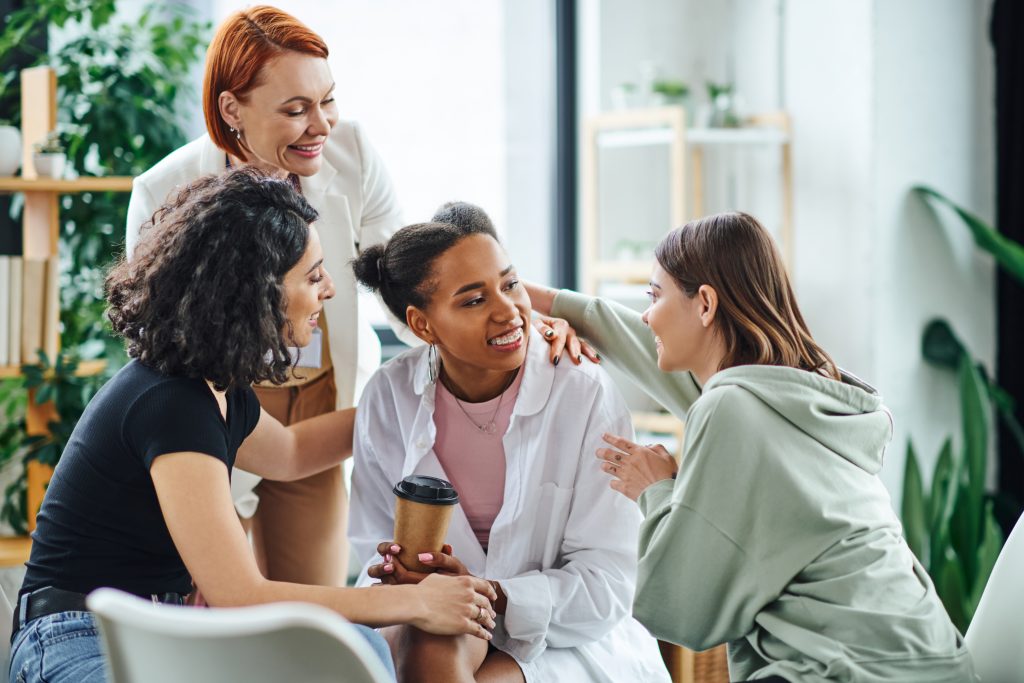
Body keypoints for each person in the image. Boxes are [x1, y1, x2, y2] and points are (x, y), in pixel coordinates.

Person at [124, 6, 573, 586]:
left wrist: (521, 316)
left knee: (310, 601)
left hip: (319, 395)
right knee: (214, 602)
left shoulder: (352, 154)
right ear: (232, 108)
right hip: (215, 400)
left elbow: (410, 280)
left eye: (327, 100)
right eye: (295, 110)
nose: (322, 125)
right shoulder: (165, 191)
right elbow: (161, 345)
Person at [9, 170, 497, 683]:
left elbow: (289, 452)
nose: (329, 289)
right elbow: (238, 594)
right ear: (256, 291)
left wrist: (424, 397)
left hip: (150, 632)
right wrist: (413, 603)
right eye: (313, 276)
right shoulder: (174, 402)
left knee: (357, 649)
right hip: (72, 640)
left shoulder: (215, 389)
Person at [525, 211, 977, 683]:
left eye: (654, 296)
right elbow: (633, 335)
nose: (646, 314)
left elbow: (680, 609)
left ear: (704, 305)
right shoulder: (800, 391)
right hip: (933, 657)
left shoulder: (730, 409)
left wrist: (656, 489)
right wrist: (516, 298)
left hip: (844, 671)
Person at [347, 202, 670, 683]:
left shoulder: (581, 391)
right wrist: (404, 576)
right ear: (422, 325)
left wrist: (489, 593)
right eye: (474, 301)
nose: (508, 311)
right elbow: (373, 546)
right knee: (433, 642)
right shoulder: (388, 397)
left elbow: (607, 584)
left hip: (569, 637)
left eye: (511, 284)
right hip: (434, 621)